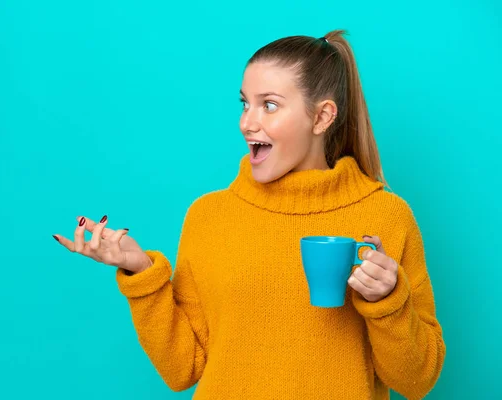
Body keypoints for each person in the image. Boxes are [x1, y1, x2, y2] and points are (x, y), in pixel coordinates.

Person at [52, 29, 446, 399]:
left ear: (322, 117)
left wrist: (388, 300)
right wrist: (142, 275)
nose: (247, 122)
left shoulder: (386, 216)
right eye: (245, 103)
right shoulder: (209, 217)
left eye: (269, 105)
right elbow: (182, 369)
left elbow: (417, 380)